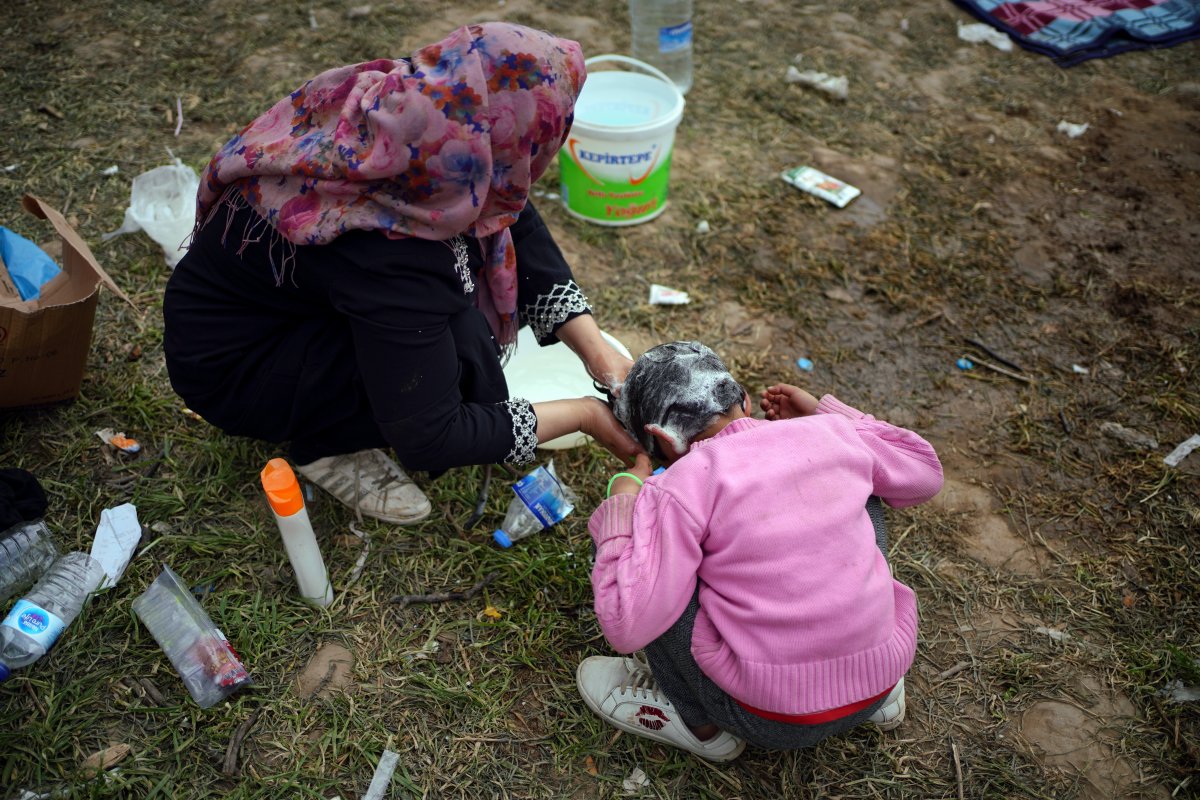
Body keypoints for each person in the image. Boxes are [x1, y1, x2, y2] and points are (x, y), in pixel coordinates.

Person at [163, 23, 640, 525]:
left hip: (270, 307)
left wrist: (597, 352)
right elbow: (433, 435)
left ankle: (347, 388)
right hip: (236, 368)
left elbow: (509, 212)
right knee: (461, 348)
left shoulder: (417, 114)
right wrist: (587, 415)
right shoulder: (395, 253)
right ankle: (325, 444)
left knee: (451, 313)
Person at [575, 342, 944, 760]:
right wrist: (828, 416)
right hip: (881, 675)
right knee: (867, 487)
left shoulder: (675, 489)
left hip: (764, 718)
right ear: (744, 400)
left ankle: (702, 728)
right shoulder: (832, 435)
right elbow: (924, 472)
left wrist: (625, 509)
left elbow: (626, 625)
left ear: (663, 440)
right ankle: (873, 679)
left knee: (649, 559)